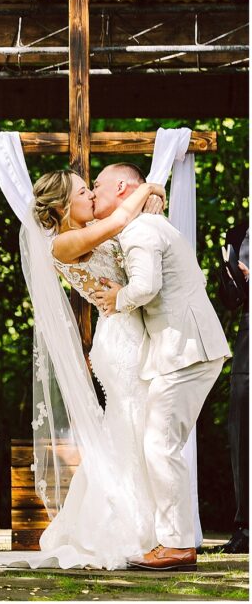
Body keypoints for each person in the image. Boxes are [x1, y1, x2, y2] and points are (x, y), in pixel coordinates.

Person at [0, 167, 166, 570]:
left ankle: (147, 524)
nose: (92, 196)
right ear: (63, 206)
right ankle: (132, 528)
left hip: (130, 331)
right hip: (121, 340)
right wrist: (152, 186)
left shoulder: (88, 231)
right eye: (83, 192)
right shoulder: (63, 244)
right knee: (133, 424)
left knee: (131, 429)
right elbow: (122, 217)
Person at [91, 164, 231, 571]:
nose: (94, 192)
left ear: (121, 186)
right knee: (162, 446)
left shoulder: (141, 230)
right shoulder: (147, 224)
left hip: (185, 349)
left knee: (159, 445)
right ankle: (172, 541)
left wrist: (117, 299)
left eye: (97, 185)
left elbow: (146, 286)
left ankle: (177, 546)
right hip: (183, 348)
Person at [216, 221, 248, 554]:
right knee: (242, 430)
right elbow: (231, 300)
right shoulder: (238, 233)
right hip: (248, 339)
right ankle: (245, 527)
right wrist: (229, 277)